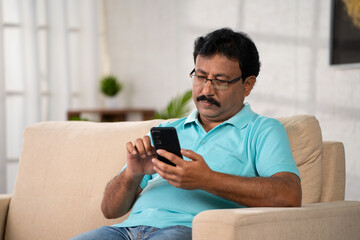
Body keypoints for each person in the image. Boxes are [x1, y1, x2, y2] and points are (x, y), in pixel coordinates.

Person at [71, 28, 302, 240]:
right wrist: (132, 174)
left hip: (187, 231)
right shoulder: (168, 130)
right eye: (200, 77)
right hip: (123, 232)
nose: (206, 90)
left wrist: (206, 179)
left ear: (247, 85)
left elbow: (290, 195)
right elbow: (109, 210)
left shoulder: (262, 130)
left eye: (220, 81)